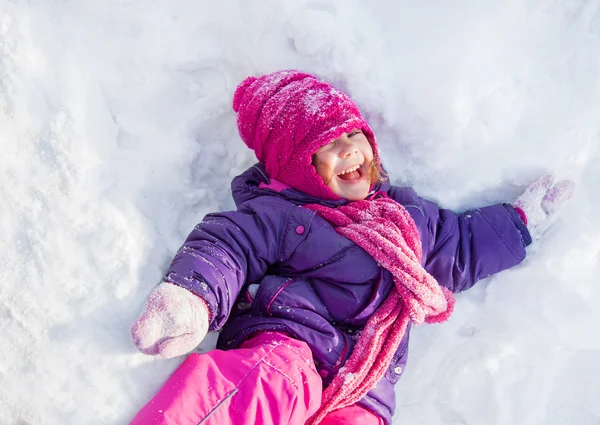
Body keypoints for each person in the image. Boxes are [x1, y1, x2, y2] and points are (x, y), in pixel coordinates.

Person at [128, 70, 575, 425]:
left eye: (351, 136)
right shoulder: (283, 214)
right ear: (296, 169)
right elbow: (229, 244)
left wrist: (518, 225)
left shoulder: (407, 218)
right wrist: (192, 298)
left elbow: (461, 247)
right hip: (291, 342)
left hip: (365, 383)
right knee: (258, 386)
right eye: (325, 147)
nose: (347, 151)